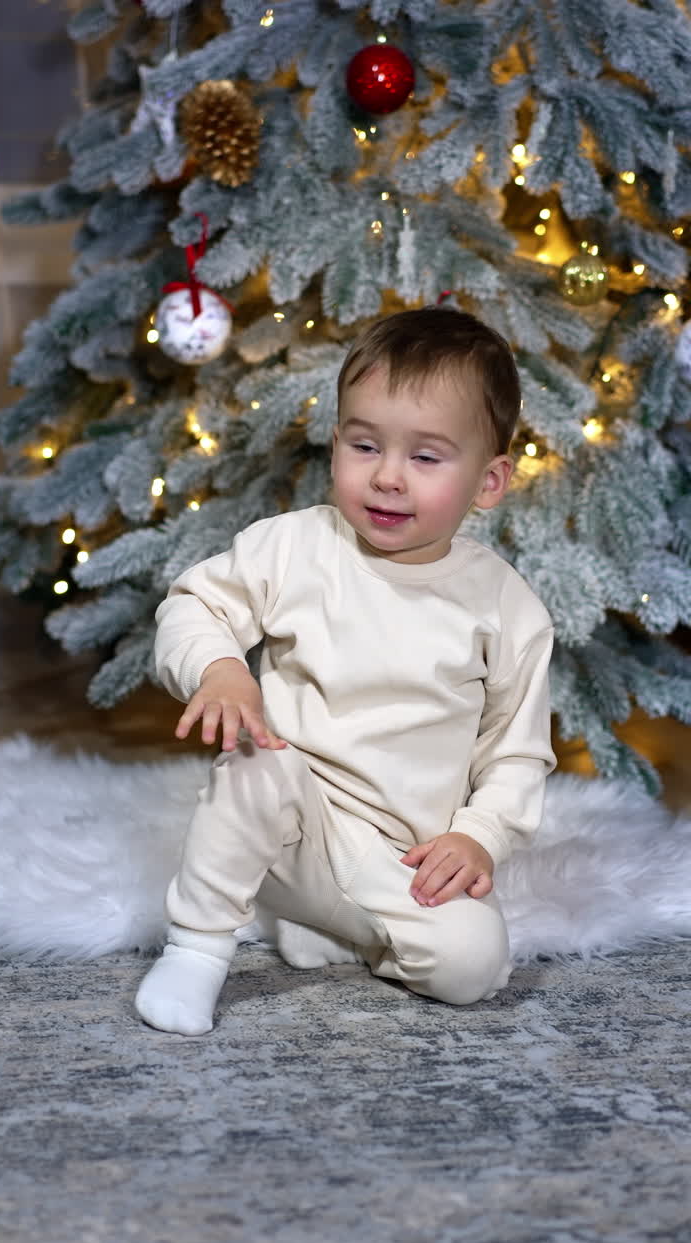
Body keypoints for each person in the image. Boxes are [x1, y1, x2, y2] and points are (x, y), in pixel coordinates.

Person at [135, 306, 557, 1035]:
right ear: (335, 446)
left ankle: (336, 928)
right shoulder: (294, 548)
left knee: (475, 966)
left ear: (489, 481)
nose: (387, 477)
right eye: (365, 446)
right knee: (256, 766)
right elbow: (194, 605)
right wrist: (221, 669)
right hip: (290, 817)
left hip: (399, 858)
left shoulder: (507, 609)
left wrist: (479, 836)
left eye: (426, 458)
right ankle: (198, 947)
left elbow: (516, 755)